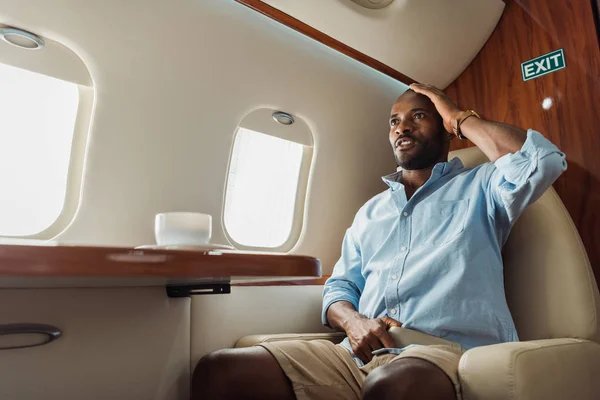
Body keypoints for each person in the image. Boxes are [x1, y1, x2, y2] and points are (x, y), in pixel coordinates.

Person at [191, 83, 567, 400]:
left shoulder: (483, 185)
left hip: (442, 354)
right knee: (221, 371)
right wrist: (354, 323)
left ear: (445, 127)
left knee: (393, 387)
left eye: (418, 116)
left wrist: (461, 118)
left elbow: (544, 160)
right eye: (394, 121)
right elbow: (340, 286)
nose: (402, 127)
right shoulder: (370, 212)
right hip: (358, 354)